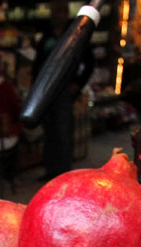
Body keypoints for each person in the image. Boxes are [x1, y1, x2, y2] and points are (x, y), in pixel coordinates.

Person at [33, 1, 94, 180]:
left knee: (63, 131)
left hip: (63, 91)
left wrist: (78, 84)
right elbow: (38, 63)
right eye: (54, 11)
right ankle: (50, 172)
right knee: (49, 131)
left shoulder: (76, 35)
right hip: (45, 92)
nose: (56, 15)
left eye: (59, 11)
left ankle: (63, 174)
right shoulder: (46, 35)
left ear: (66, 13)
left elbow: (89, 64)